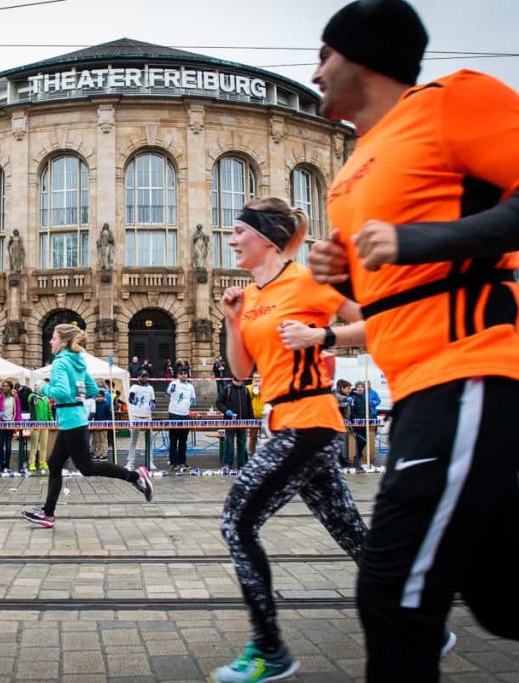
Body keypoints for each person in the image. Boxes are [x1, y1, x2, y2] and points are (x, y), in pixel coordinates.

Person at [309, 1, 519, 678]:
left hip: (476, 370)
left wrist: (420, 239)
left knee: (392, 596)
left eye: (325, 54)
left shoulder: (450, 102)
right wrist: (344, 280)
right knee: (508, 601)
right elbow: (392, 300)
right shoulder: (352, 171)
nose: (315, 70)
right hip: (418, 388)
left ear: (363, 57)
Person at [213, 197, 369, 682]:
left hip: (310, 419)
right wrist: (232, 319)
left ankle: (269, 649)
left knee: (236, 522)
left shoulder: (309, 281)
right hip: (284, 422)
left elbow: (381, 325)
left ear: (266, 238)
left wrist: (321, 339)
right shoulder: (251, 294)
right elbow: (241, 373)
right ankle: (419, 623)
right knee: (354, 536)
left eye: (238, 231)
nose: (231, 239)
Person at [20, 324, 153, 528]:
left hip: (72, 421)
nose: (50, 341)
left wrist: (43, 387)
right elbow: (92, 389)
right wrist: (76, 396)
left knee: (87, 467)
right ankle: (47, 513)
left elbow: (61, 392)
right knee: (54, 463)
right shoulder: (78, 361)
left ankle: (136, 476)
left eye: (54, 338)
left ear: (63, 342)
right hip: (74, 419)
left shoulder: (60, 363)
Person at [216, 377, 253, 469]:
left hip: (242, 421)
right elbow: (219, 402)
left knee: (242, 443)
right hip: (230, 422)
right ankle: (228, 463)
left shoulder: (245, 390)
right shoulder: (227, 389)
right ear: (233, 380)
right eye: (237, 380)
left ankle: (242, 464)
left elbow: (249, 406)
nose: (239, 382)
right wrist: (226, 410)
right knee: (229, 442)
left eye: (240, 380)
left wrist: (250, 419)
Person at [165, 368, 195, 470]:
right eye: (181, 373)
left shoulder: (191, 386)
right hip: (174, 413)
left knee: (183, 440)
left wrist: (193, 401)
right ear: (177, 375)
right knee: (174, 439)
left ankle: (182, 461)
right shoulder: (174, 383)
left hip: (185, 414)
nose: (183, 375)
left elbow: (193, 398)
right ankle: (173, 462)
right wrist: (170, 390)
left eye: (185, 373)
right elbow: (168, 392)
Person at [125, 371, 155, 470]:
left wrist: (153, 404)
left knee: (149, 441)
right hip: (136, 416)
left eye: (146, 376)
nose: (144, 378)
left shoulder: (150, 388)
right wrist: (132, 400)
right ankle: (130, 462)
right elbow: (130, 398)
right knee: (133, 440)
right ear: (138, 377)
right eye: (142, 376)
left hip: (147, 416)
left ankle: (150, 461)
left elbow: (153, 400)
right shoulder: (134, 387)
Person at [0, 380, 21, 472]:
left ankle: (7, 464)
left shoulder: (15, 398)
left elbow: (18, 410)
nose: (5, 387)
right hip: (1, 423)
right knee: (0, 444)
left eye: (7, 386)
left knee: (8, 445)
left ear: (10, 387)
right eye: (3, 386)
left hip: (10, 423)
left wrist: (18, 423)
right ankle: (1, 464)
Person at [27, 380, 53, 473]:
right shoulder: (32, 396)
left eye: (38, 385)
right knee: (34, 445)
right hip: (36, 424)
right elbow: (32, 408)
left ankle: (42, 462)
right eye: (35, 385)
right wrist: (33, 424)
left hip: (45, 424)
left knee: (44, 445)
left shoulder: (46, 398)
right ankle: (32, 463)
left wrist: (51, 420)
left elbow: (49, 410)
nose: (36, 387)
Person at [246, 373, 267, 457]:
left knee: (264, 437)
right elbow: (247, 399)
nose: (257, 379)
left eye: (259, 377)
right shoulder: (248, 387)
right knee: (252, 437)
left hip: (263, 417)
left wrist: (261, 387)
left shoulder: (265, 387)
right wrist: (253, 388)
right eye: (255, 377)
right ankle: (252, 453)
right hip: (253, 417)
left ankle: (264, 454)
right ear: (252, 379)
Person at [91, 388, 112, 461]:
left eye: (100, 396)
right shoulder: (94, 404)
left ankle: (104, 454)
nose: (99, 398)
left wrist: (107, 423)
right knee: (96, 440)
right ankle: (97, 453)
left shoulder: (106, 405)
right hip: (95, 425)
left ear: (103, 397)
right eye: (97, 396)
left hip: (104, 425)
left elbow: (109, 415)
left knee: (103, 440)